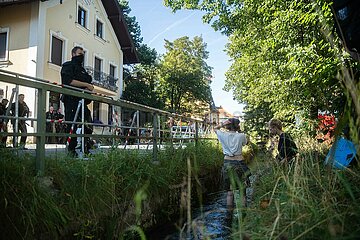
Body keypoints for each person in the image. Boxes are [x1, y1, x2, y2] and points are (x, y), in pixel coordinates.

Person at [61, 46, 94, 156]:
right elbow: (68, 81)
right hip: (71, 100)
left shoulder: (82, 70)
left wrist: (89, 86)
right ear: (73, 54)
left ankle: (86, 149)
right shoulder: (68, 66)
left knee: (88, 124)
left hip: (82, 101)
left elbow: (88, 81)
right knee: (72, 126)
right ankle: (71, 151)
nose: (82, 56)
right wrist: (86, 85)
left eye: (83, 54)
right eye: (80, 54)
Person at [214, 118, 251, 212]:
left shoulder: (222, 134)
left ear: (227, 125)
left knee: (230, 193)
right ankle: (243, 214)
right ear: (238, 126)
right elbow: (246, 143)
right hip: (240, 163)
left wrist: (222, 124)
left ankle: (229, 214)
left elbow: (214, 128)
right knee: (242, 192)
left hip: (228, 163)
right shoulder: (241, 135)